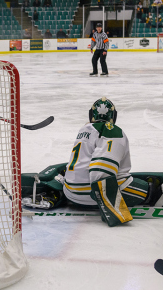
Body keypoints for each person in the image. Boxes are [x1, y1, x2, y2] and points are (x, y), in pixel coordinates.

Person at [63, 97, 163, 226]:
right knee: (153, 192)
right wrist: (112, 207)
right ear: (113, 116)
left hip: (71, 193)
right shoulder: (112, 130)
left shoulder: (84, 129)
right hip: (91, 195)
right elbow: (100, 170)